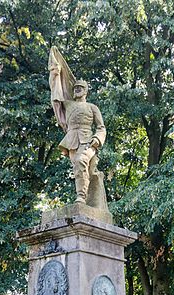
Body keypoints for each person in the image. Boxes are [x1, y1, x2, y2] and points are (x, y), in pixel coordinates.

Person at [48, 47, 107, 207]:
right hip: (72, 139)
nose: (77, 90)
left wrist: (97, 139)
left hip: (88, 140)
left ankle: (81, 198)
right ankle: (86, 199)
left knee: (81, 162)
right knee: (78, 168)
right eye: (75, 88)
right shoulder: (68, 105)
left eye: (80, 88)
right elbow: (56, 94)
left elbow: (101, 127)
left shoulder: (92, 107)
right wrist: (55, 74)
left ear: (86, 91)